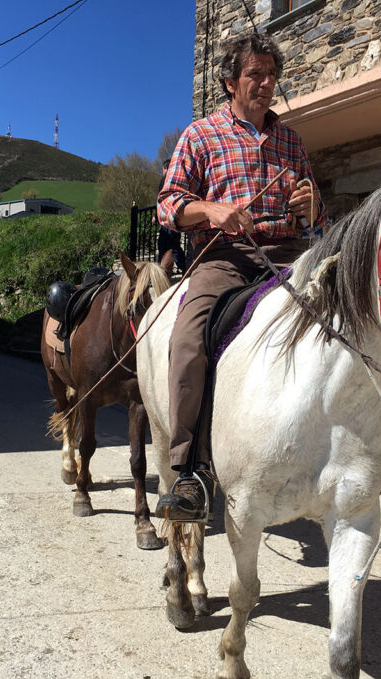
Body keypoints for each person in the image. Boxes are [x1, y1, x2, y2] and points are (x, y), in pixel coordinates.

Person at [155, 32, 329, 522]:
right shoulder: (201, 135)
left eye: (272, 75)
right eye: (256, 75)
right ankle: (187, 468)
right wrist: (210, 208)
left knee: (356, 311)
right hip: (224, 257)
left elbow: (320, 218)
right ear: (230, 82)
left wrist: (313, 206)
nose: (267, 84)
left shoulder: (291, 141)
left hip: (289, 252)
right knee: (189, 339)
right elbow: (168, 207)